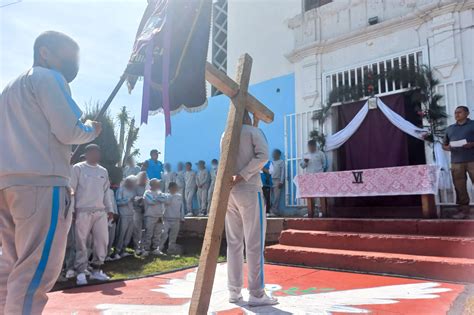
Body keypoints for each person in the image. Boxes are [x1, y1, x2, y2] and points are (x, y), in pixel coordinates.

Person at [0, 31, 101, 314]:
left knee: (11, 266)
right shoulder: (48, 77)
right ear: (45, 52)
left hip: (8, 184)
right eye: (70, 55)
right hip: (41, 185)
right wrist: (92, 129)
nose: (74, 63)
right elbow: (69, 130)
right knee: (35, 272)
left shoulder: (9, 88)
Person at [225, 111, 277, 306]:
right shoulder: (253, 131)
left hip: (229, 192)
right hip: (248, 188)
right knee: (254, 242)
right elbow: (263, 157)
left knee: (234, 243)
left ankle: (234, 291)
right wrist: (244, 174)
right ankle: (256, 294)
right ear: (247, 117)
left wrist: (236, 177)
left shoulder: (225, 134)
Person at [70, 144, 113, 285]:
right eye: (93, 152)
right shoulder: (78, 168)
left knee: (102, 240)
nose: (96, 155)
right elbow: (72, 190)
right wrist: (72, 210)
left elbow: (106, 191)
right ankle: (81, 272)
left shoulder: (103, 171)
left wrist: (110, 209)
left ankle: (97, 270)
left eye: (98, 153)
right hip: (82, 210)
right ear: (87, 154)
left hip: (100, 212)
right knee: (81, 242)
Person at [443, 105, 474, 219]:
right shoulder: (450, 128)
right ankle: (463, 211)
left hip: (472, 160)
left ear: (467, 113)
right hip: (456, 162)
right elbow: (444, 145)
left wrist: (472, 144)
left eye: (459, 112)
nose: (457, 115)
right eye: (455, 113)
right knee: (459, 187)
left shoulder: (473, 125)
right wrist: (448, 147)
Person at [142, 179, 169, 256]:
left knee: (158, 233)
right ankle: (146, 249)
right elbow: (151, 201)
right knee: (148, 233)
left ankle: (155, 248)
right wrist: (159, 199)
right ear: (152, 184)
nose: (159, 185)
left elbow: (165, 199)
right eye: (157, 183)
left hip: (159, 216)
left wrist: (157, 198)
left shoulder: (159, 192)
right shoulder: (147, 192)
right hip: (150, 216)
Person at [114, 175, 137, 259]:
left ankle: (123, 250)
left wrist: (137, 201)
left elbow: (133, 202)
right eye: (132, 183)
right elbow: (118, 202)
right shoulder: (121, 190)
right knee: (121, 233)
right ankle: (116, 252)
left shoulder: (133, 191)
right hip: (123, 214)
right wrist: (128, 200)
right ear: (128, 182)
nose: (133, 184)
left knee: (128, 234)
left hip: (131, 214)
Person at [160, 182, 185, 254]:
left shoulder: (179, 196)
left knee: (173, 236)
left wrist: (182, 218)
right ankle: (159, 248)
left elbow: (181, 208)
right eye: (173, 187)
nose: (175, 189)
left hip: (176, 219)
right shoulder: (165, 196)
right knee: (164, 234)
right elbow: (166, 203)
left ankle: (171, 249)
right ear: (170, 188)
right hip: (166, 218)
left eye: (176, 187)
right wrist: (170, 195)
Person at [132, 172, 148, 255]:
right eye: (142, 177)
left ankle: (143, 247)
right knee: (137, 230)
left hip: (146, 211)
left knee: (145, 230)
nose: (144, 179)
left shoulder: (148, 187)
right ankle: (136, 248)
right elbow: (133, 197)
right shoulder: (135, 187)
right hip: (136, 210)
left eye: (145, 178)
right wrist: (140, 199)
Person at [270, 149, 285, 216]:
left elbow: (283, 172)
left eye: (275, 153)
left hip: (277, 180)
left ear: (278, 155)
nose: (273, 155)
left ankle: (274, 210)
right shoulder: (271, 162)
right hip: (270, 181)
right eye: (273, 153)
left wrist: (281, 181)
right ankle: (270, 210)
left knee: (276, 197)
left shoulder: (281, 162)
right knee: (270, 196)